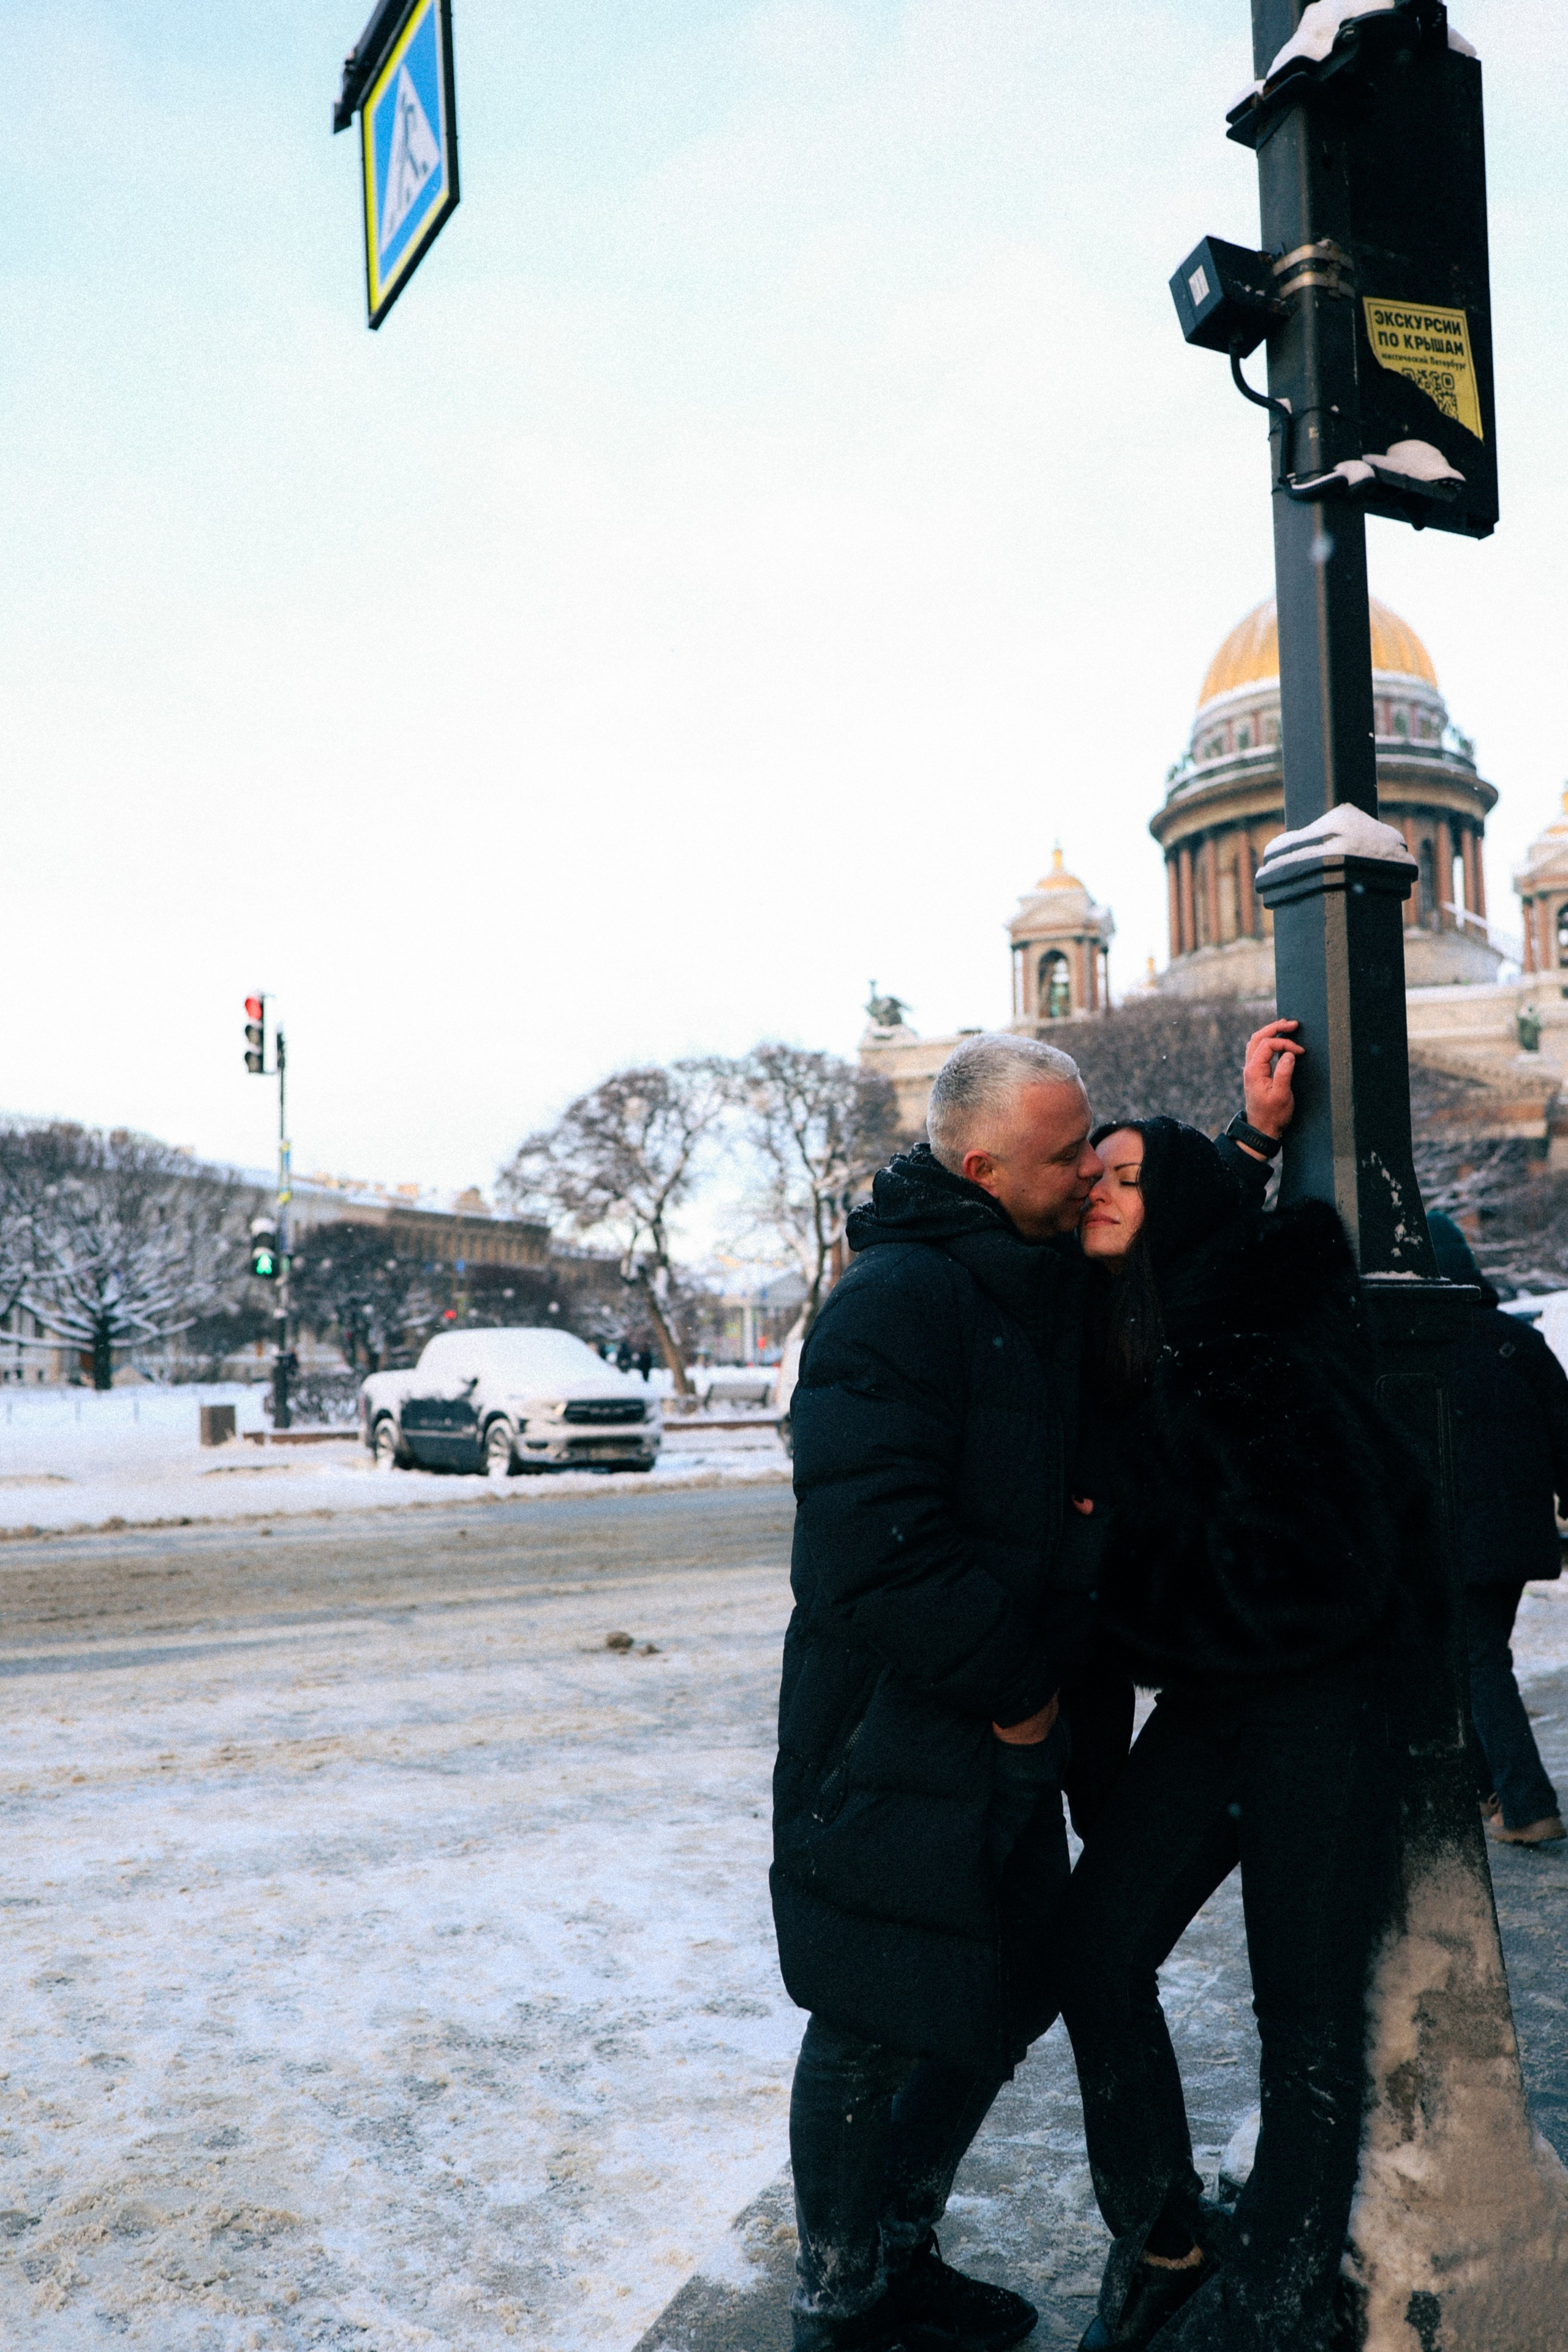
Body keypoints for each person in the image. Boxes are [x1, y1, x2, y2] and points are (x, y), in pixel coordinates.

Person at [772, 1027, 1297, 2352]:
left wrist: (1244, 1145)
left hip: (1014, 1726)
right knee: (872, 2012)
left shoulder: (1026, 1267)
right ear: (980, 1162)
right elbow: (864, 1552)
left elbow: (1152, 1225)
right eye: (1064, 1154)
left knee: (992, 1993)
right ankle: (839, 2302)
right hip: (907, 1726)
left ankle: (896, 2245)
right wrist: (1015, 1690)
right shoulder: (899, 1300)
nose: (1082, 1174)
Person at [1055, 1115, 1436, 2352]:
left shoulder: (1255, 1342)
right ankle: (1164, 2231)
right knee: (1094, 1946)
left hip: (1319, 1704)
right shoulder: (1121, 1335)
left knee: (1303, 2013)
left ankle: (1277, 2300)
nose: (1097, 1191)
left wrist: (1129, 1597)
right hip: (1217, 1702)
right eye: (1090, 1174)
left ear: (1172, 1205)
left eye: (1124, 1178)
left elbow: (1321, 1567)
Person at [1428, 1209, 1568, 1847]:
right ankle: (1491, 1791)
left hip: (1455, 1538)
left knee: (1476, 1664)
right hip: (1518, 1536)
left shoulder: (1417, 1350)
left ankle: (1524, 1802)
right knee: (1473, 1662)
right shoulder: (1518, 1343)